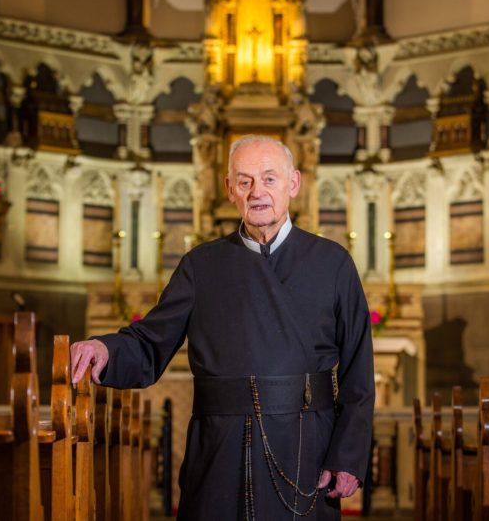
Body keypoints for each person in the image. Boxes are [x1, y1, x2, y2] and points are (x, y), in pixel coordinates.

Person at [71, 134, 374, 520]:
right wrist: (106, 349)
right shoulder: (201, 266)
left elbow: (358, 370)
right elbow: (150, 343)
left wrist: (347, 455)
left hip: (303, 445)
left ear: (293, 184)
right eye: (244, 181)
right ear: (230, 189)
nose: (257, 192)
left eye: (269, 179)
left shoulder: (333, 264)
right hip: (219, 447)